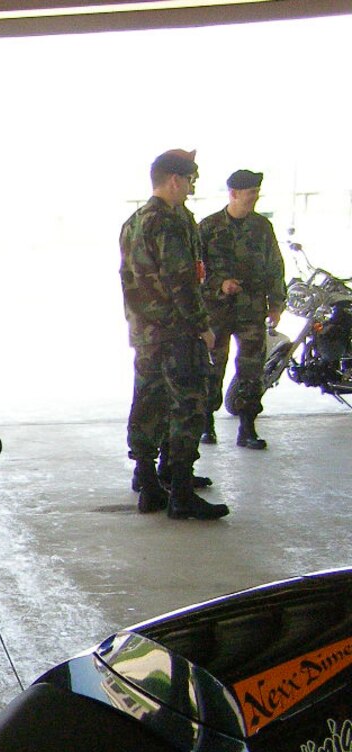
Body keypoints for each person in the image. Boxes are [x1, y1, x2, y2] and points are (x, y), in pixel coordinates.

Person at [119, 148, 229, 520]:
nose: (191, 189)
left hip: (146, 332)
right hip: (177, 331)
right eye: (190, 181)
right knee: (188, 406)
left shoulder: (135, 221)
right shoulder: (168, 222)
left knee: (148, 402)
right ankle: (180, 490)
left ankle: (149, 481)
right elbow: (181, 280)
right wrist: (201, 325)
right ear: (174, 180)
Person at [198, 168, 285, 450]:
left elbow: (275, 266)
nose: (254, 199)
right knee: (212, 367)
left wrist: (277, 303)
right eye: (250, 194)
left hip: (251, 310)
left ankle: (247, 427)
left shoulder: (262, 227)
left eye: (257, 193)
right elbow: (195, 272)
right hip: (217, 311)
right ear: (233, 194)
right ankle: (206, 424)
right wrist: (219, 285)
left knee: (251, 369)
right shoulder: (208, 227)